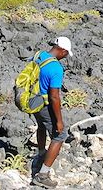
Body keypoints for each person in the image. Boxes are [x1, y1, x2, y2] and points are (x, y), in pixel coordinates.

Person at [31, 36, 73, 188]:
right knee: (60, 135)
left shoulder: (39, 55)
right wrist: (59, 121)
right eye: (67, 53)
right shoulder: (56, 68)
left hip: (32, 100)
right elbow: (54, 97)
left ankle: (41, 155)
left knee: (41, 126)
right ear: (62, 50)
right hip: (43, 104)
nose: (66, 56)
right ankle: (42, 175)